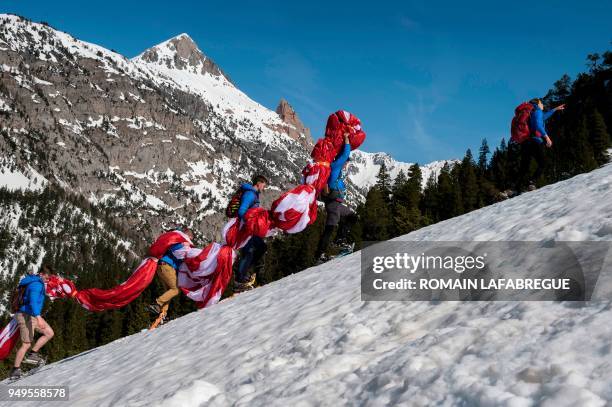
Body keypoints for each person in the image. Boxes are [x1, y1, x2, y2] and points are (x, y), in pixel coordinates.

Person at [316, 133, 356, 262]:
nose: (346, 164)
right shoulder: (335, 167)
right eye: (346, 162)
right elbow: (344, 154)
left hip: (337, 204)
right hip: (333, 204)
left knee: (352, 216)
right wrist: (346, 139)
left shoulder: (339, 172)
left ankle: (340, 240)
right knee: (329, 228)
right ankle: (319, 255)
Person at [10, 267, 54, 380]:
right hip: (25, 315)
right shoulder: (36, 285)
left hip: (32, 315)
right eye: (47, 278)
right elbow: (33, 301)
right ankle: (15, 370)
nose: (48, 280)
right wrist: (39, 317)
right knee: (26, 344)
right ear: (42, 274)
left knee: (49, 333)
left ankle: (32, 354)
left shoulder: (35, 280)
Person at [518, 98, 565, 191]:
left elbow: (544, 117)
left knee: (525, 165)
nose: (543, 104)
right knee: (543, 162)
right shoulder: (537, 111)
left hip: (525, 142)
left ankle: (515, 188)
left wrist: (555, 109)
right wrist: (547, 137)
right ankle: (532, 182)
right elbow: (538, 125)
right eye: (541, 103)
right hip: (535, 141)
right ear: (538, 104)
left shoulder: (531, 113)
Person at [147, 228, 193, 315]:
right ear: (188, 236)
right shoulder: (181, 242)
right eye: (190, 238)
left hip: (162, 267)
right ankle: (157, 304)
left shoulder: (177, 241)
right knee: (175, 289)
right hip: (166, 266)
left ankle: (162, 313)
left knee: (169, 290)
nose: (190, 241)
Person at [234, 175, 268, 292]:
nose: (264, 187)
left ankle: (250, 276)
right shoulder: (250, 194)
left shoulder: (253, 194)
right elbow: (242, 210)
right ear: (258, 183)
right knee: (248, 252)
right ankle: (240, 280)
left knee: (260, 248)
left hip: (251, 229)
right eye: (264, 185)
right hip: (247, 229)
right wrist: (250, 222)